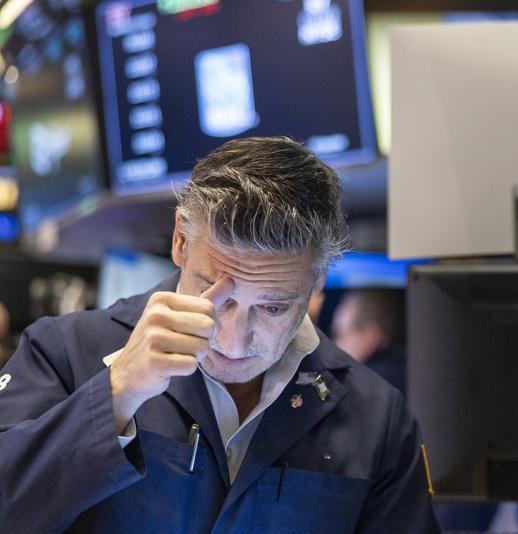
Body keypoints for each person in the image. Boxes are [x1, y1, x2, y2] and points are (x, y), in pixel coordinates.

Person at [0, 137, 439, 533]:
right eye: (215, 294)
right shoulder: (63, 354)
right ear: (180, 241)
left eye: (272, 308)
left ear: (318, 279)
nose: (231, 340)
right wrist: (115, 394)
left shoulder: (377, 417)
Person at [332, 289, 407, 396]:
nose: (334, 343)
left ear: (370, 335)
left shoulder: (367, 387)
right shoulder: (408, 372)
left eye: (341, 334)